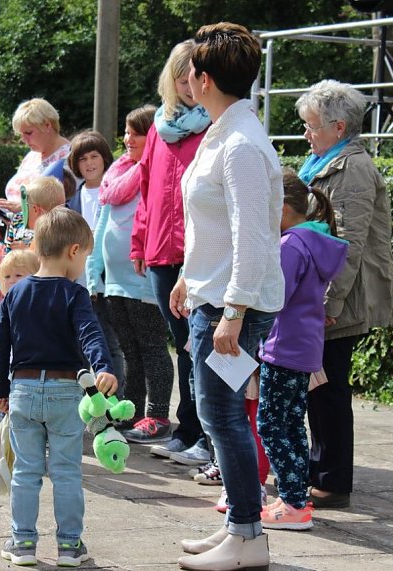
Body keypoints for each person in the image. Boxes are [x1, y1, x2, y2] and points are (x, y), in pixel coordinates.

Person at [170, 23, 284, 570]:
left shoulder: (240, 144)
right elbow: (215, 226)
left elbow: (254, 236)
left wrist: (234, 310)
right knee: (218, 414)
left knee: (222, 415)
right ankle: (238, 529)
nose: (185, 78)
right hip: (215, 297)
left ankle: (248, 536)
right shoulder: (224, 131)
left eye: (191, 70)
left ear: (205, 78)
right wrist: (190, 278)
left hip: (233, 306)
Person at [0, 207, 118, 568]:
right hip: (66, 392)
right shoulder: (74, 294)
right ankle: (69, 545)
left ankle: (23, 543)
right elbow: (90, 333)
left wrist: (0, 387)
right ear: (73, 252)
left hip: (25, 390)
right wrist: (103, 367)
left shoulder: (15, 294)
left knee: (26, 471)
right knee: (66, 472)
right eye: (86, 257)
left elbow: (0, 343)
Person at [295, 79, 393, 509]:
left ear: (339, 128)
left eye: (312, 126)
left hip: (342, 300)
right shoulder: (327, 161)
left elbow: (349, 245)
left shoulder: (352, 168)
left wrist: (327, 305)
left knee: (329, 388)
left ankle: (333, 481)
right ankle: (320, 470)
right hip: (327, 296)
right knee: (318, 387)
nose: (306, 134)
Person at [131, 40, 211, 463]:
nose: (186, 86)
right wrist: (140, 241)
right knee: (182, 345)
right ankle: (189, 429)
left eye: (192, 79)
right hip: (162, 253)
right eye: (179, 79)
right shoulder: (161, 128)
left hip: (198, 252)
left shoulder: (214, 125)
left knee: (200, 345)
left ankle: (205, 434)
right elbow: (147, 193)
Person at [257, 170, 348, 531]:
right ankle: (293, 498)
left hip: (283, 348)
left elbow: (274, 297)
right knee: (291, 423)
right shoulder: (311, 241)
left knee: (270, 423)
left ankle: (293, 502)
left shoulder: (290, 246)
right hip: (302, 347)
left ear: (280, 207)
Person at [87, 106, 175, 444]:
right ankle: (133, 412)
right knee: (130, 350)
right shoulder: (116, 174)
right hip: (116, 283)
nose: (127, 139)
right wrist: (95, 276)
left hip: (145, 282)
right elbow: (102, 227)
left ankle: (157, 415)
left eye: (135, 132)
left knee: (153, 348)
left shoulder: (157, 174)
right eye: (125, 132)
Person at [66, 130, 126, 394]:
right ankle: (86, 404)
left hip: (108, 279)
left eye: (94, 156)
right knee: (79, 342)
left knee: (110, 342)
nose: (89, 163)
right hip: (79, 281)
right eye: (83, 159)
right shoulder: (71, 202)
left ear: (104, 158)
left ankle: (117, 401)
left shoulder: (116, 192)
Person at [0, 98, 70, 213]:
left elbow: (66, 206)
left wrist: (24, 208)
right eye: (21, 134)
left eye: (28, 133)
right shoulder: (31, 156)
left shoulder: (71, 157)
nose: (24, 140)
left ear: (47, 125)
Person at [0, 249, 40, 348]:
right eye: (7, 276)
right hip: (9, 358)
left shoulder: (40, 304)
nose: (12, 281)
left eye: (18, 275)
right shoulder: (1, 307)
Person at [4, 175, 66, 252]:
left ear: (36, 209)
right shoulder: (18, 220)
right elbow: (7, 254)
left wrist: (27, 252)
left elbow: (55, 260)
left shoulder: (61, 234)